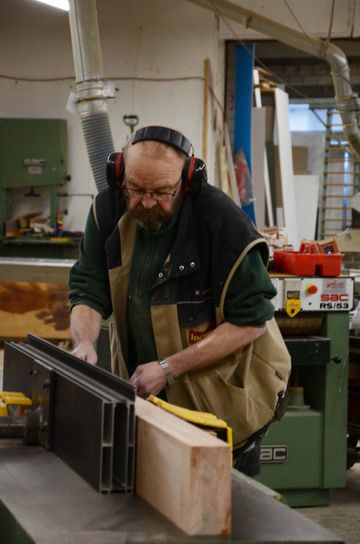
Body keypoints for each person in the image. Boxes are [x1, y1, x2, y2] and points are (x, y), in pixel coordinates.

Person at [69, 125, 291, 476]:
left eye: (161, 192)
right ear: (119, 175)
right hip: (148, 404)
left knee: (218, 513)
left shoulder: (222, 223)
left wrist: (168, 368)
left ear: (187, 181)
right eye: (136, 189)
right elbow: (88, 288)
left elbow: (250, 323)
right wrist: (84, 342)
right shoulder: (108, 211)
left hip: (221, 406)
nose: (146, 202)